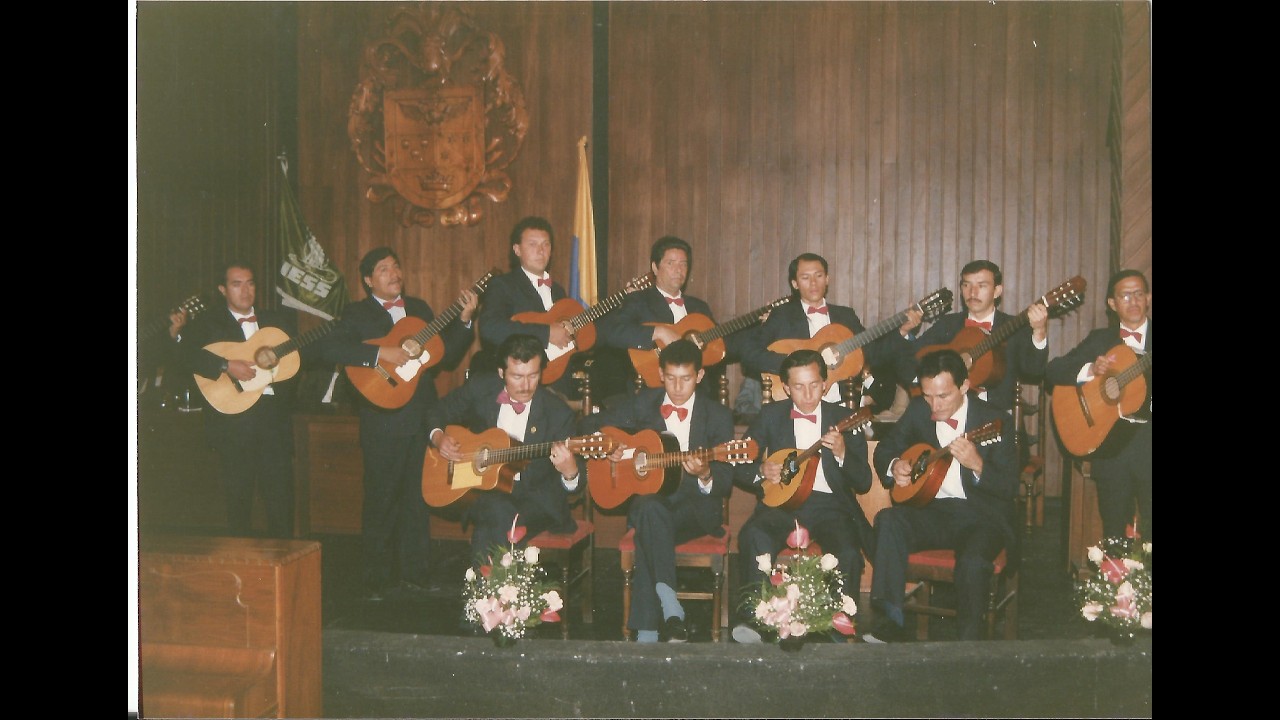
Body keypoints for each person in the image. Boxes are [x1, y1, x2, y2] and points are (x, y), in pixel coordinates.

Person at [320, 247, 477, 601]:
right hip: (382, 419)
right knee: (381, 498)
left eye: (396, 266)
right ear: (367, 280)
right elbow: (330, 349)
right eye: (383, 269)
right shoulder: (356, 313)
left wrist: (465, 321)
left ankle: (416, 575)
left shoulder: (419, 310)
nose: (394, 273)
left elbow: (445, 355)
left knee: (416, 499)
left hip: (422, 416)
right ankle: (376, 579)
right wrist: (380, 353)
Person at [579, 339, 736, 643]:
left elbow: (727, 478)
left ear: (700, 376)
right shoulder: (644, 402)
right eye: (671, 378)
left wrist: (705, 474)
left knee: (648, 526)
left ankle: (648, 630)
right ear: (661, 374)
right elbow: (589, 424)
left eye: (686, 379)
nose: (677, 387)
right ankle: (671, 609)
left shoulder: (718, 416)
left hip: (694, 511)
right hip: (650, 506)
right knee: (651, 508)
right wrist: (608, 445)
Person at [863, 349, 1018, 643]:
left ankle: (966, 645)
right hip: (932, 512)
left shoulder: (996, 420)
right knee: (888, 521)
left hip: (982, 516)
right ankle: (891, 619)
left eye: (943, 396)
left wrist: (978, 464)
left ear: (964, 386)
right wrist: (896, 465)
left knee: (973, 563)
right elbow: (885, 449)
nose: (934, 405)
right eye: (928, 395)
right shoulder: (920, 410)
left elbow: (1009, 486)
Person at [731, 349, 875, 644]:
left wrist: (842, 452)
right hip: (782, 506)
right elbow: (741, 464)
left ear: (824, 384)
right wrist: (761, 469)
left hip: (830, 507)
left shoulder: (844, 418)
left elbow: (863, 481)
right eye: (798, 386)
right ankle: (754, 620)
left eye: (814, 385)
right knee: (753, 535)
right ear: (785, 387)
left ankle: (839, 625)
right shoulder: (771, 414)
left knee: (847, 552)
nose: (807, 394)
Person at [427, 333, 584, 564]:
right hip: (482, 490)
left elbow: (575, 486)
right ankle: (507, 597)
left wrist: (570, 472)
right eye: (517, 377)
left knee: (496, 519)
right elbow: (437, 412)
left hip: (535, 500)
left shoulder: (558, 414)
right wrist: (439, 437)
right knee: (497, 510)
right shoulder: (482, 387)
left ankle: (485, 597)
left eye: (533, 376)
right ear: (501, 373)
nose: (526, 385)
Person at [180, 261, 298, 538]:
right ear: (223, 289)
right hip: (234, 421)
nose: (245, 291)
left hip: (273, 420)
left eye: (250, 283)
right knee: (238, 498)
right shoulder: (207, 323)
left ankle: (285, 565)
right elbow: (184, 356)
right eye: (236, 284)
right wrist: (226, 365)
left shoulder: (277, 323)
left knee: (280, 497)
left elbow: (298, 365)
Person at [1045, 269, 1151, 541]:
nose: (1133, 301)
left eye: (1139, 293)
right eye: (1125, 295)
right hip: (1111, 452)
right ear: (1112, 304)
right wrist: (1090, 369)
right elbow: (1053, 371)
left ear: (1149, 298)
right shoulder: (1100, 340)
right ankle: (1116, 584)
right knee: (1114, 535)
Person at [739, 252, 920, 406]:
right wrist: (791, 363)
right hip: (792, 405)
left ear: (827, 279)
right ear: (795, 284)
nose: (813, 283)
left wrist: (902, 331)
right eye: (805, 277)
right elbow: (749, 353)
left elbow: (873, 353)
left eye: (818, 276)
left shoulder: (846, 316)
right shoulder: (782, 315)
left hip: (839, 405)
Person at [898, 259, 1048, 415]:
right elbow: (910, 360)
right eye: (966, 285)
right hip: (947, 415)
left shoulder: (1014, 326)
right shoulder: (948, 324)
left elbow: (1034, 371)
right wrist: (904, 332)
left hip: (997, 415)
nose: (972, 293)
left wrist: (1039, 331)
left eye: (981, 286)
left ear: (997, 291)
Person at [597, 236, 723, 389]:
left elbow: (722, 344)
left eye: (683, 264)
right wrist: (657, 332)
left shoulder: (699, 307)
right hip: (650, 388)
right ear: (655, 268)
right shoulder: (639, 300)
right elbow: (612, 332)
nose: (679, 270)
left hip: (697, 391)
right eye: (671, 263)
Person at [476, 216, 583, 397]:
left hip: (559, 382)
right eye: (533, 244)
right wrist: (546, 333)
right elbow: (490, 328)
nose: (541, 251)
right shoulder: (503, 285)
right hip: (517, 386)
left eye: (546, 244)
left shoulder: (558, 290)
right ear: (517, 250)